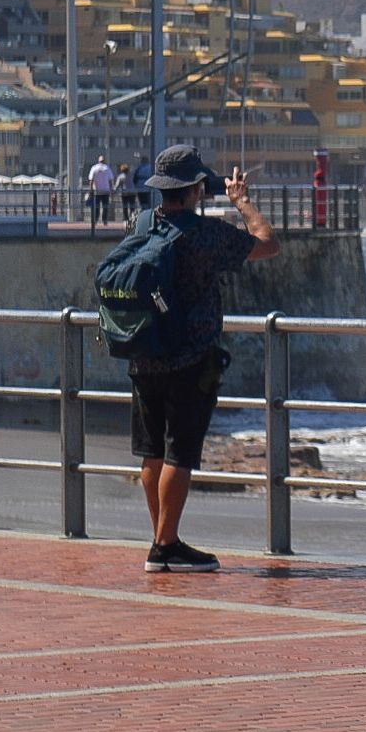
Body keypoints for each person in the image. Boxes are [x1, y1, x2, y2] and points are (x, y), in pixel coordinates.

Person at [128, 145, 280, 571]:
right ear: (196, 188)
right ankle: (164, 546)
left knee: (152, 451)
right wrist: (242, 201)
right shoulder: (205, 234)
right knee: (181, 452)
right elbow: (268, 244)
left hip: (143, 353)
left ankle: (164, 541)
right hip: (190, 357)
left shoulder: (137, 225)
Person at [88, 153, 114, 224]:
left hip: (97, 191)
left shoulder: (94, 168)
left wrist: (90, 189)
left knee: (97, 206)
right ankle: (104, 220)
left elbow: (91, 180)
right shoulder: (107, 168)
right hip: (106, 190)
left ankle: (95, 220)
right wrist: (111, 189)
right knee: (105, 206)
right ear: (104, 161)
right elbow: (110, 180)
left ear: (98, 161)